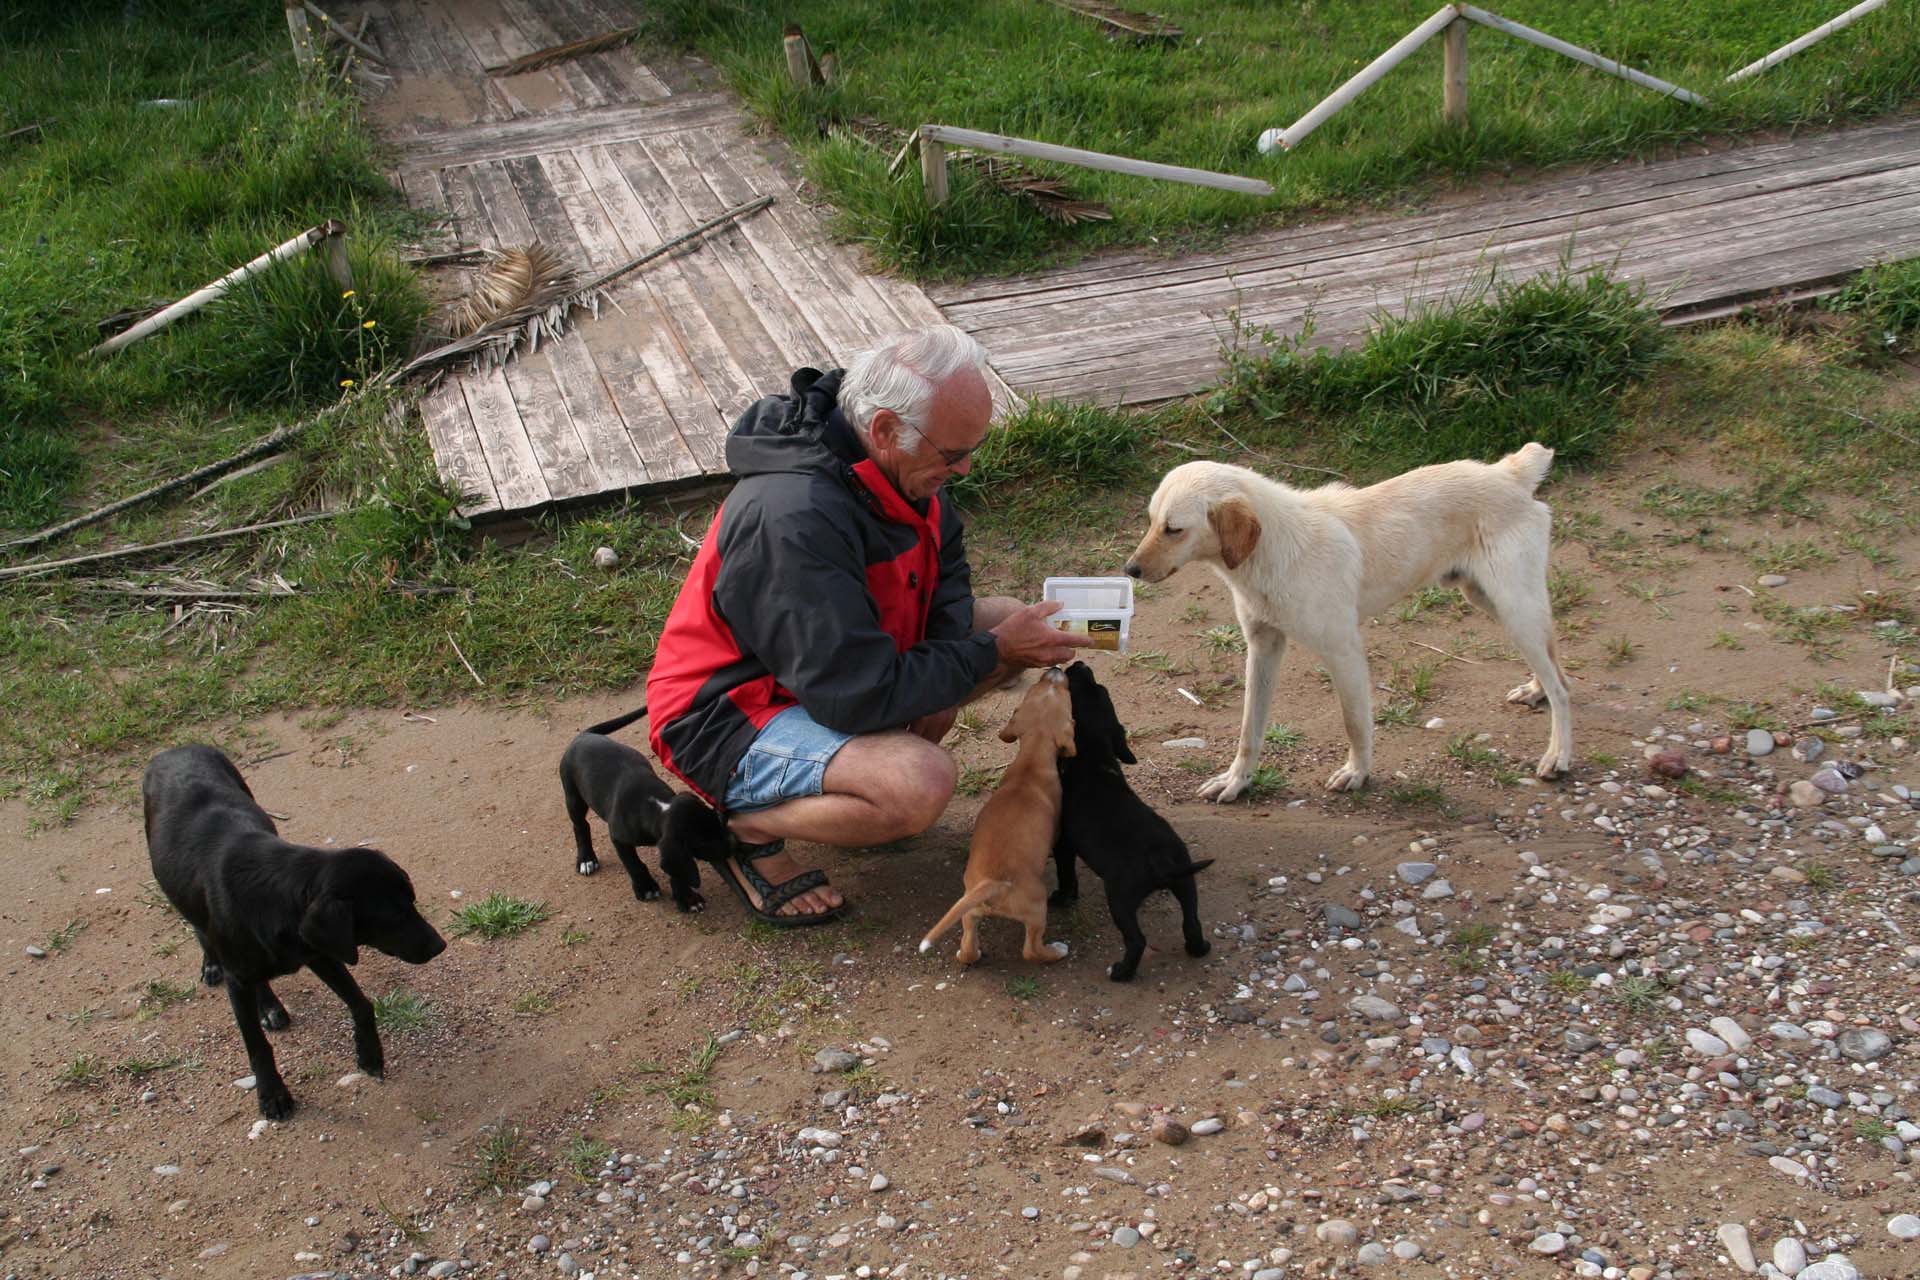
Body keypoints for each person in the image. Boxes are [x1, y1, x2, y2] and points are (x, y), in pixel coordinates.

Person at [646, 325, 1091, 925]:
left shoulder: (901, 466)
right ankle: (741, 829)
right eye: (953, 454)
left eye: (971, 449)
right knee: (921, 784)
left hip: (824, 676)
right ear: (883, 429)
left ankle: (858, 790)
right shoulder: (794, 515)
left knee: (1006, 621)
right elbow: (852, 695)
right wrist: (975, 661)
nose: (962, 469)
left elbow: (948, 573)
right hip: (727, 712)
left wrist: (953, 662)